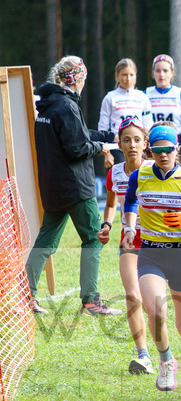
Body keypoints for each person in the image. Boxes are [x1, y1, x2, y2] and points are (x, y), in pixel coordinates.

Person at [120, 124, 181, 398]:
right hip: (151, 253)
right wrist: (129, 228)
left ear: (177, 149)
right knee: (156, 312)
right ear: (151, 149)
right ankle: (166, 360)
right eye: (157, 150)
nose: (163, 155)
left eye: (168, 150)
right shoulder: (140, 175)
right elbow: (129, 202)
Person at [27, 55, 122, 317]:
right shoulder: (67, 106)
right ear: (76, 79)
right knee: (93, 239)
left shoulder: (48, 104)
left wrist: (106, 137)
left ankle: (26, 295)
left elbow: (78, 132)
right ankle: (91, 301)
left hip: (51, 185)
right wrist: (102, 148)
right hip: (76, 187)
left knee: (46, 240)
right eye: (84, 78)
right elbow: (76, 147)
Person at [101, 117, 154, 374]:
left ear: (145, 144)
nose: (131, 145)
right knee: (133, 296)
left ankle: (166, 353)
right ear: (118, 144)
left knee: (154, 302)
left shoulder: (155, 170)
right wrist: (107, 226)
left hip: (158, 240)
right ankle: (143, 355)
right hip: (129, 240)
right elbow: (111, 204)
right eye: (126, 140)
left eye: (136, 140)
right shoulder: (114, 173)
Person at [146, 54, 181, 170]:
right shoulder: (145, 94)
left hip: (176, 142)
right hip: (153, 142)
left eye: (165, 70)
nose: (161, 74)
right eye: (158, 70)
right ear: (153, 73)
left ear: (172, 73)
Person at [98, 58, 152, 167]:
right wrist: (107, 154)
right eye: (124, 75)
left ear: (136, 75)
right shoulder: (110, 98)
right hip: (117, 148)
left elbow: (148, 126)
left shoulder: (142, 97)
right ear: (117, 76)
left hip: (138, 147)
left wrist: (148, 151)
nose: (128, 79)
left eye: (131, 75)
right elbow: (102, 129)